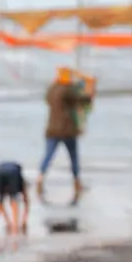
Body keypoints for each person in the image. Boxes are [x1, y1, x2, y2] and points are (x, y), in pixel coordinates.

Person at [37, 67, 92, 205]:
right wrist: (90, 90)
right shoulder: (67, 90)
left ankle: (40, 179)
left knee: (48, 155)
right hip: (66, 130)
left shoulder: (52, 88)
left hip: (52, 129)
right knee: (73, 157)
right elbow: (82, 100)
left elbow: (48, 100)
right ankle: (76, 183)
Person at [0, 161, 30, 238]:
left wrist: (7, 221)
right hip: (12, 171)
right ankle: (15, 227)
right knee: (14, 198)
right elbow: (26, 201)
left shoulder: (9, 185)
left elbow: (1, 205)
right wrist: (24, 220)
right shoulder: (21, 182)